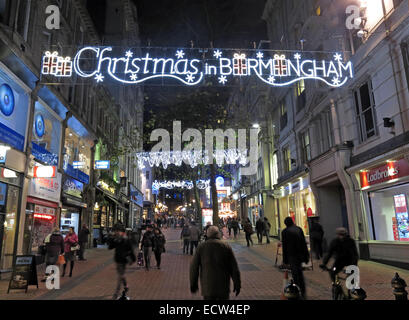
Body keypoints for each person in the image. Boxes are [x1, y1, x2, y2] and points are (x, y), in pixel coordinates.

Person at [190, 226, 241, 300]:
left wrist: (193, 284)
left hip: (208, 286)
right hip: (223, 286)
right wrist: (237, 283)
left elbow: (194, 267)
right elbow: (234, 267)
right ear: (218, 234)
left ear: (207, 234)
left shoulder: (201, 247)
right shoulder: (225, 246)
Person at [281, 217, 310, 299]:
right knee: (300, 273)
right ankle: (303, 291)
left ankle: (297, 291)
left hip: (292, 255)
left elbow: (285, 247)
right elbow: (303, 243)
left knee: (295, 274)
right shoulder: (299, 229)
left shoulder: (285, 232)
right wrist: (306, 256)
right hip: (300, 255)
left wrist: (285, 260)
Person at [107, 223, 136, 300]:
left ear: (121, 231)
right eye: (116, 231)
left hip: (124, 260)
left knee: (120, 276)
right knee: (121, 275)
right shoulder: (116, 238)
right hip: (117, 259)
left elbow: (131, 249)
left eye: (118, 231)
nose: (116, 232)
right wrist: (111, 239)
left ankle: (116, 293)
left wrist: (133, 259)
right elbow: (110, 247)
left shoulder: (126, 239)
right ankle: (126, 285)